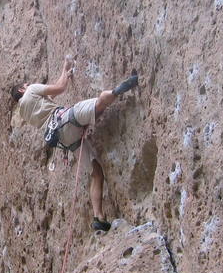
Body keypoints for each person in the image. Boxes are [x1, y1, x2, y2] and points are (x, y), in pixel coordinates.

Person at [11, 56, 138, 232]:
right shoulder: (31, 90)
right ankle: (116, 92)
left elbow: (52, 93)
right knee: (99, 104)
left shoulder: (24, 112)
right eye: (27, 83)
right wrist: (65, 74)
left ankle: (98, 217)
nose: (30, 83)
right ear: (22, 88)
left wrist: (65, 70)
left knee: (96, 173)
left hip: (64, 140)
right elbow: (60, 88)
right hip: (66, 119)